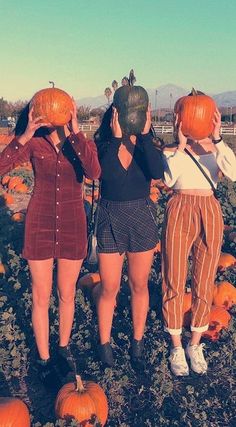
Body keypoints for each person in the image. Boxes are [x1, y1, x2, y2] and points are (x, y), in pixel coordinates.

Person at [0, 98, 101, 390]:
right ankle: (44, 359)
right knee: (41, 295)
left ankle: (64, 348)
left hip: (72, 224)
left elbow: (94, 173)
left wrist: (76, 135)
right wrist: (25, 135)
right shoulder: (34, 143)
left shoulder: (80, 142)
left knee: (67, 294)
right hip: (40, 224)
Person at [162, 109, 236, 376]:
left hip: (209, 209)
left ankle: (195, 343)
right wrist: (180, 145)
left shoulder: (217, 148)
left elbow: (234, 172)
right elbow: (169, 179)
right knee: (174, 275)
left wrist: (217, 139)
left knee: (205, 278)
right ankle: (176, 346)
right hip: (180, 207)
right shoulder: (173, 149)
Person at [94, 104, 164, 368]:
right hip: (110, 217)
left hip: (141, 217)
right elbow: (105, 174)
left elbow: (157, 173)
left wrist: (144, 136)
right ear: (116, 115)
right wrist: (114, 139)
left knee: (139, 284)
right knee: (109, 286)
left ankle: (137, 344)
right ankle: (104, 344)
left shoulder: (148, 146)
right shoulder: (104, 145)